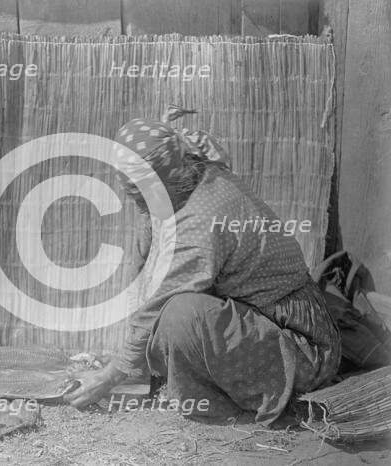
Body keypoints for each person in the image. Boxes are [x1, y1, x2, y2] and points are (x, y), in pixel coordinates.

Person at [64, 107, 341, 425]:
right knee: (171, 314)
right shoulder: (191, 169)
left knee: (181, 317)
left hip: (300, 348)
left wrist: (109, 377)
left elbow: (157, 303)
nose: (133, 202)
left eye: (139, 193)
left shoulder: (201, 222)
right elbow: (148, 255)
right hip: (261, 321)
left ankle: (231, 405)